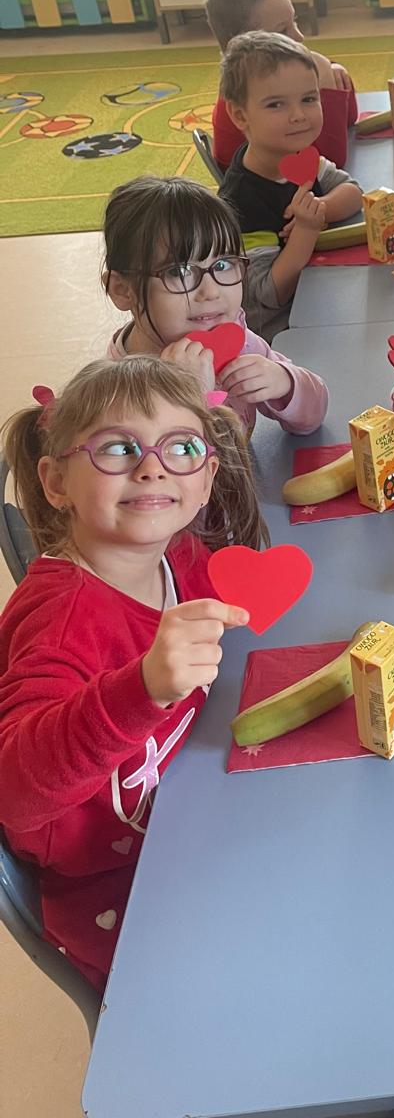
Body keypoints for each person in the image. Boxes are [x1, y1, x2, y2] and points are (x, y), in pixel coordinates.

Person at [0, 356, 266, 987]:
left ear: (206, 477)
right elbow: (14, 788)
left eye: (181, 447)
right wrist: (139, 690)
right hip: (115, 887)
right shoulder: (60, 621)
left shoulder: (181, 556)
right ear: (56, 482)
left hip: (195, 812)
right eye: (118, 448)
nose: (152, 467)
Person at [103, 175, 328, 433]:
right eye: (179, 271)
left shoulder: (234, 337)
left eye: (222, 265)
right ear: (123, 291)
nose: (210, 292)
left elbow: (315, 413)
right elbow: (191, 460)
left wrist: (285, 383)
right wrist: (193, 397)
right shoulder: (118, 394)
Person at [217, 31, 363, 327]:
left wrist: (321, 209)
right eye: (276, 104)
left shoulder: (299, 157)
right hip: (279, 330)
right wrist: (306, 229)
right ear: (240, 116)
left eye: (309, 99)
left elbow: (352, 191)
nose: (298, 115)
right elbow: (269, 294)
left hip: (320, 293)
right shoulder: (239, 202)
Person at [205, 0, 357, 169]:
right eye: (283, 31)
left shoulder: (262, 78)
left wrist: (334, 70)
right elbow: (331, 162)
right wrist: (326, 79)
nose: (299, 36)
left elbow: (350, 119)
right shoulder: (255, 93)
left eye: (294, 22)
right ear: (247, 44)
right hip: (269, 187)